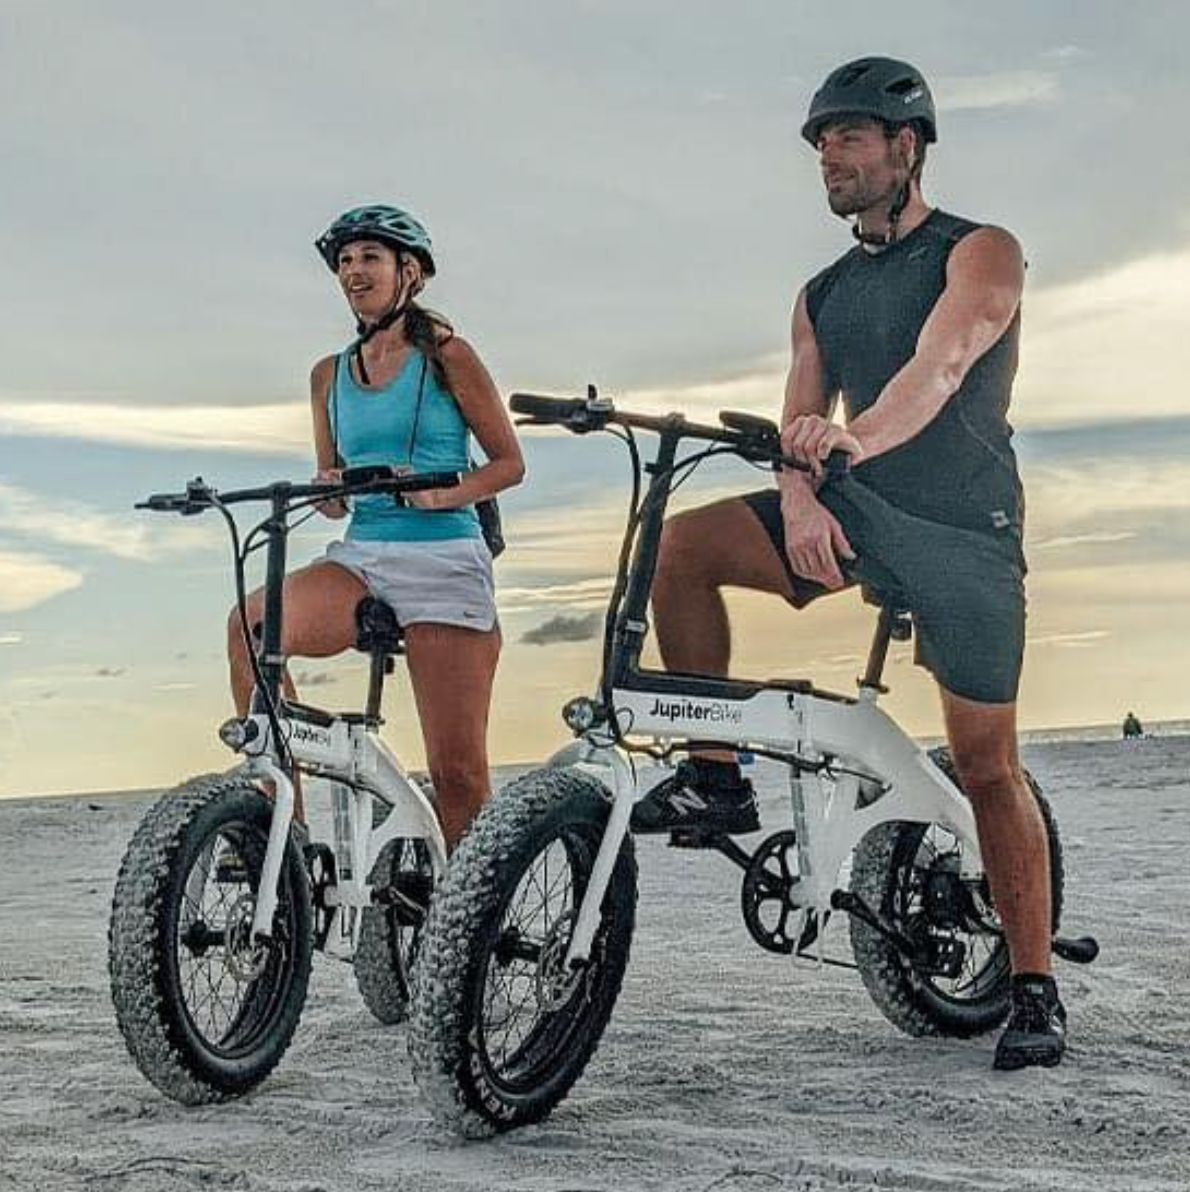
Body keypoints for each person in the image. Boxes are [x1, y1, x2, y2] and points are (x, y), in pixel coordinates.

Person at [631, 58, 1065, 1070]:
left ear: (906, 148)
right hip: (852, 500)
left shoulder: (980, 250)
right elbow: (798, 416)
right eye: (820, 141)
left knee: (987, 763)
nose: (829, 154)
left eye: (850, 137)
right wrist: (798, 491)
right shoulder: (820, 294)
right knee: (678, 548)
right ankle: (713, 775)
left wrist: (850, 445)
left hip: (962, 526)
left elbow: (942, 362)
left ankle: (1033, 981)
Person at [227, 203, 524, 848]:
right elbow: (332, 491)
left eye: (369, 259)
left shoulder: (449, 356)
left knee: (458, 774)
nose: (353, 272)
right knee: (252, 626)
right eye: (345, 262)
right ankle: (284, 838)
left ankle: (473, 925)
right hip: (362, 557)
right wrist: (328, 491)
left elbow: (508, 464)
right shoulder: (328, 375)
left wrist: (445, 497)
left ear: (408, 272)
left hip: (444, 560)